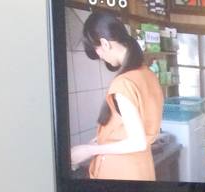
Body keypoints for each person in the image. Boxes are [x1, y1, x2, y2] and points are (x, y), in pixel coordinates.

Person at [70, 12, 163, 181]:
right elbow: (129, 128)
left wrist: (90, 150)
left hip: (121, 173)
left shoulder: (124, 83)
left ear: (105, 44)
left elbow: (137, 142)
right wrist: (101, 139)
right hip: (142, 169)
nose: (99, 56)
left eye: (96, 50)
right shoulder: (148, 74)